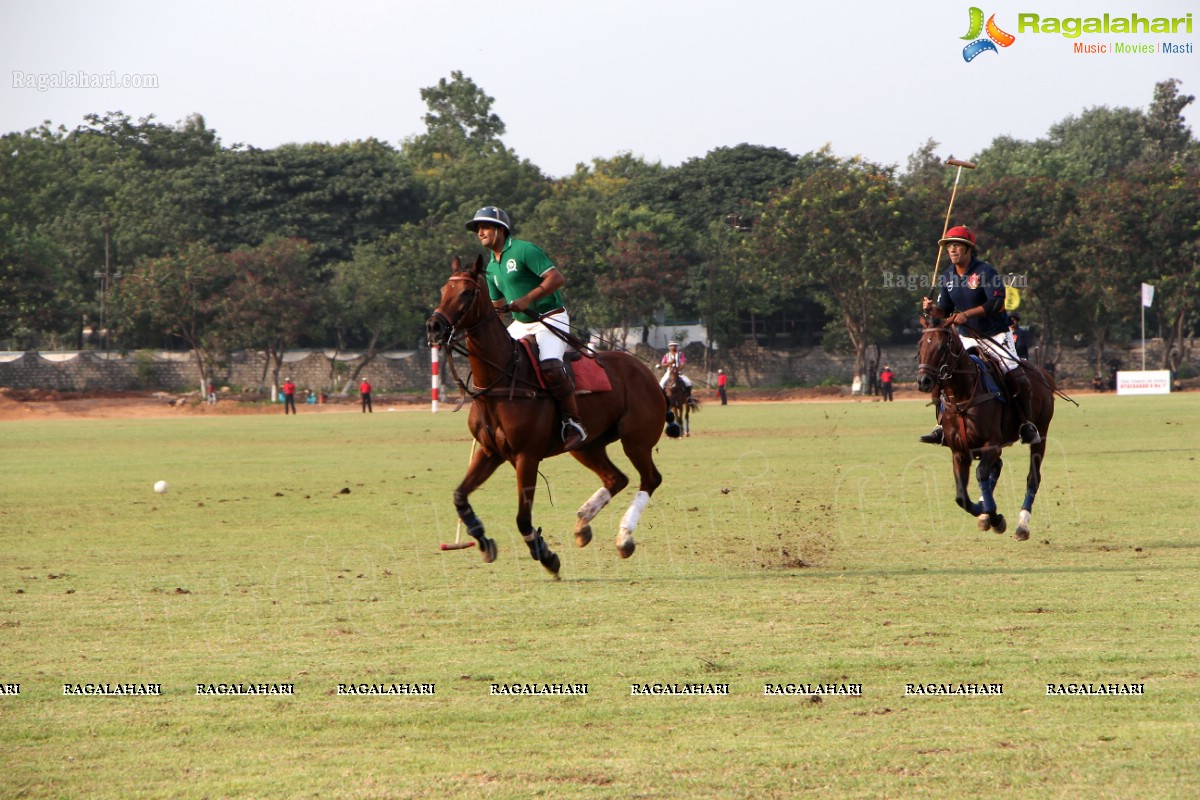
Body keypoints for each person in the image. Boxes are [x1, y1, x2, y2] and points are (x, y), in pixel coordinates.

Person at [468, 205, 587, 450]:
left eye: (485, 227)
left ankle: (572, 423)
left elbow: (556, 278)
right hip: (521, 325)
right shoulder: (490, 267)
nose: (480, 232)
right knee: (495, 363)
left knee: (551, 367)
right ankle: (492, 421)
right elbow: (498, 306)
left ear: (501, 230)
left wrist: (528, 299)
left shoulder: (524, 250)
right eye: (478, 229)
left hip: (549, 318)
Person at [920, 225, 1041, 446]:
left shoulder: (986, 272)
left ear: (968, 249)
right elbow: (944, 311)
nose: (952, 249)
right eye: (949, 245)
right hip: (966, 337)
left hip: (995, 335)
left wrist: (967, 314)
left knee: (1013, 372)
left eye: (957, 245)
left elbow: (996, 303)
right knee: (943, 374)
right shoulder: (947, 276)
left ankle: (1025, 424)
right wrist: (931, 310)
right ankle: (940, 425)